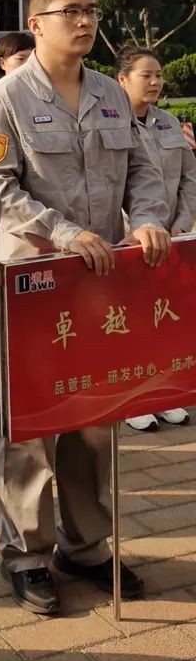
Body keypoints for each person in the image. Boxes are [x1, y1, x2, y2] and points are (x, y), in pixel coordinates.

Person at [0, 0, 170, 617]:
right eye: (70, 12)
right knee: (30, 423)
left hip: (101, 280)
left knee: (95, 414)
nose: (84, 21)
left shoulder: (111, 94)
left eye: (90, 11)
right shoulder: (5, 99)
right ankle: (25, 554)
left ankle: (84, 546)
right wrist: (62, 233)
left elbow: (142, 168)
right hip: (35, 281)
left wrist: (147, 219)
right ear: (36, 23)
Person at [116, 45, 195, 432]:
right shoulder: (111, 125)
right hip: (129, 241)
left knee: (164, 317)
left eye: (159, 75)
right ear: (122, 80)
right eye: (145, 75)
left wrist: (182, 222)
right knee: (128, 320)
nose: (155, 81)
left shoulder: (170, 123)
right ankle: (132, 398)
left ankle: (163, 393)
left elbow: (189, 177)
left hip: (172, 238)